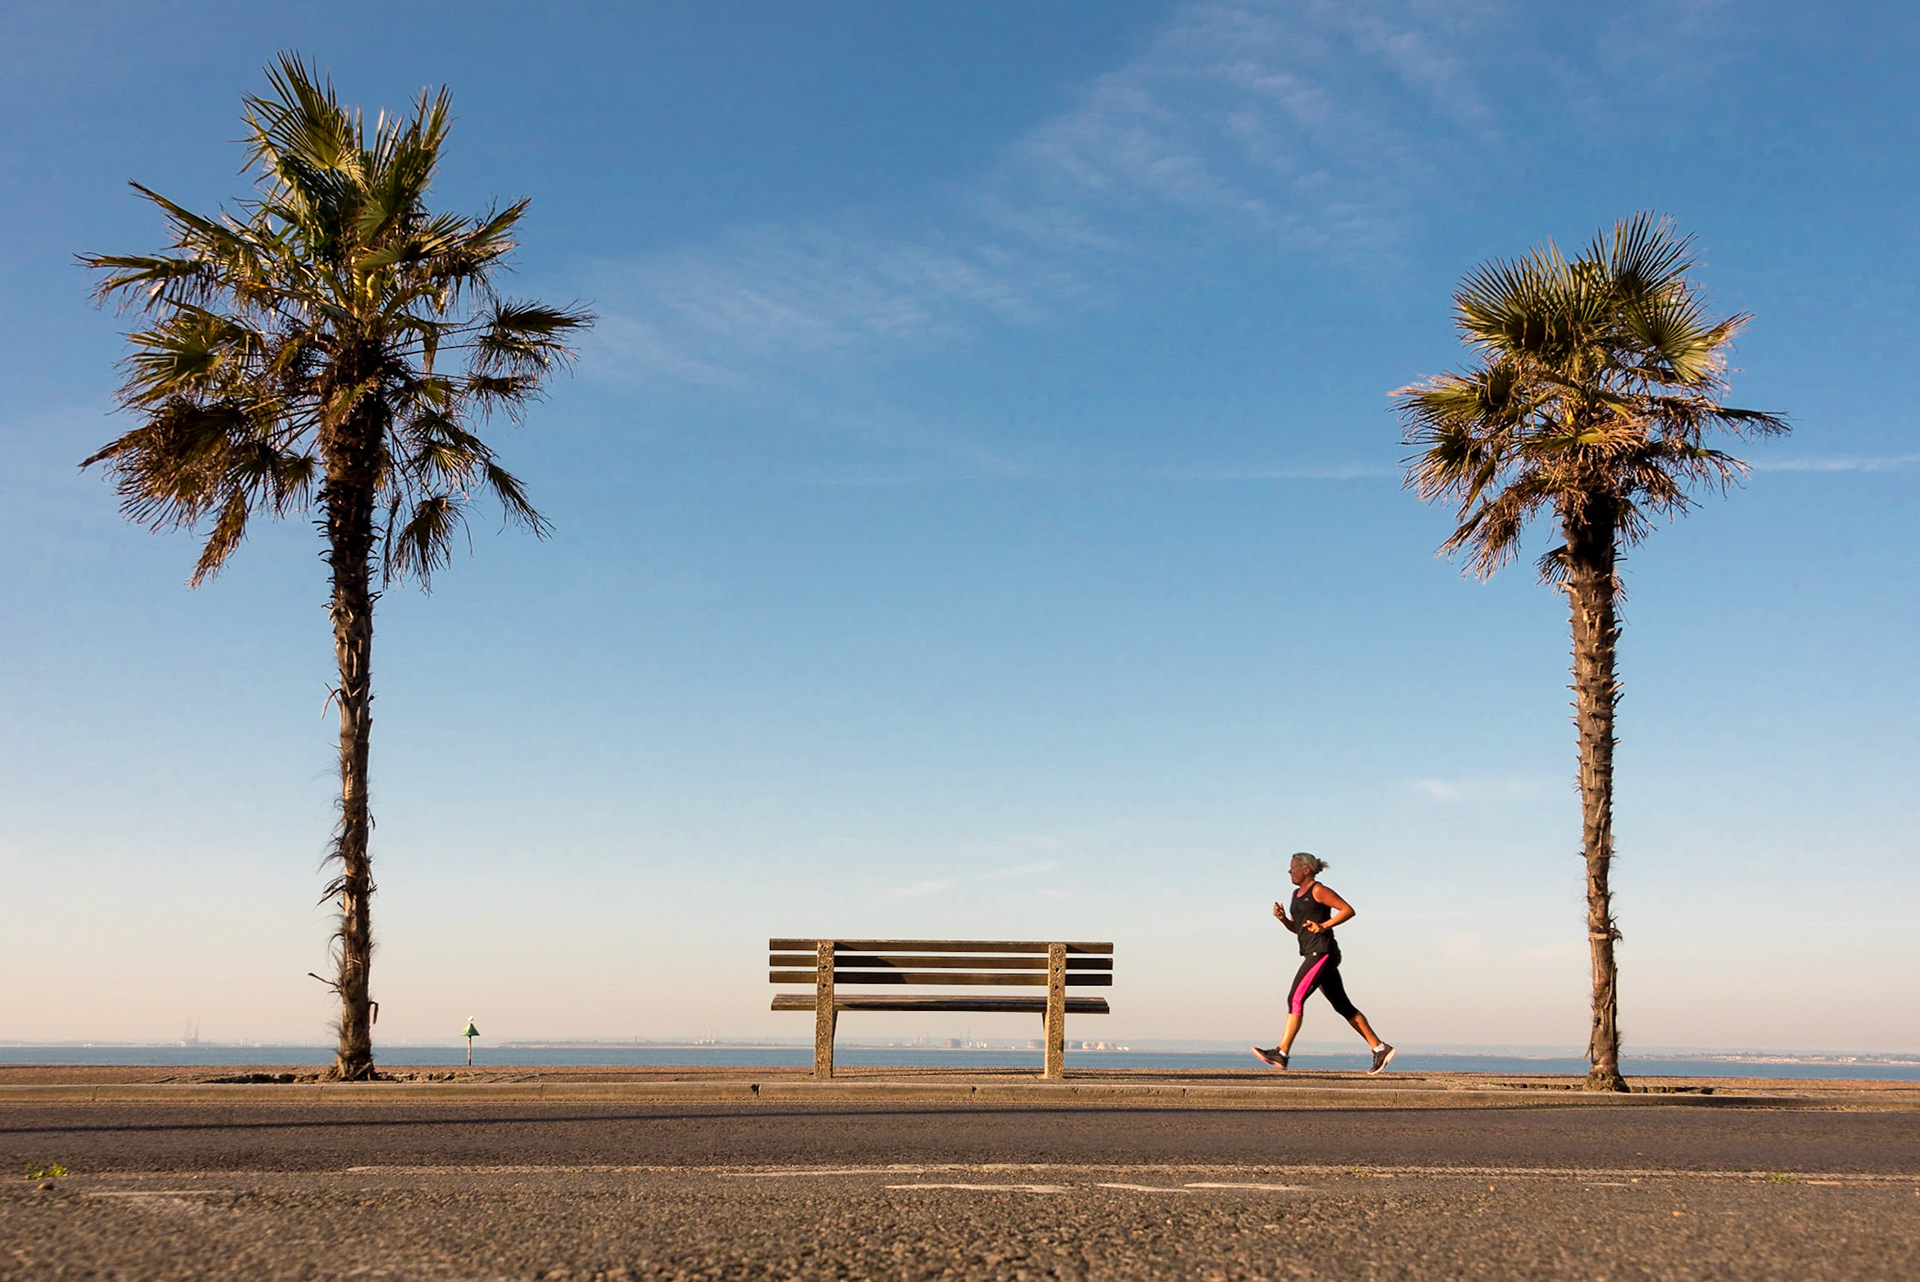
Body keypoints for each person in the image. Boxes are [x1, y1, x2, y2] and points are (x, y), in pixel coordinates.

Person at [1253, 852, 1395, 1074]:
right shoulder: (1295, 895)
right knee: (1342, 1005)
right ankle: (1380, 1048)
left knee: (1296, 997)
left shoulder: (1318, 890)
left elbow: (1348, 910)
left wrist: (1325, 925)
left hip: (1322, 952)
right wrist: (1283, 920)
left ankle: (1281, 1053)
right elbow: (1298, 928)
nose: (1289, 871)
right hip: (1312, 952)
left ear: (1305, 870)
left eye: (1293, 867)